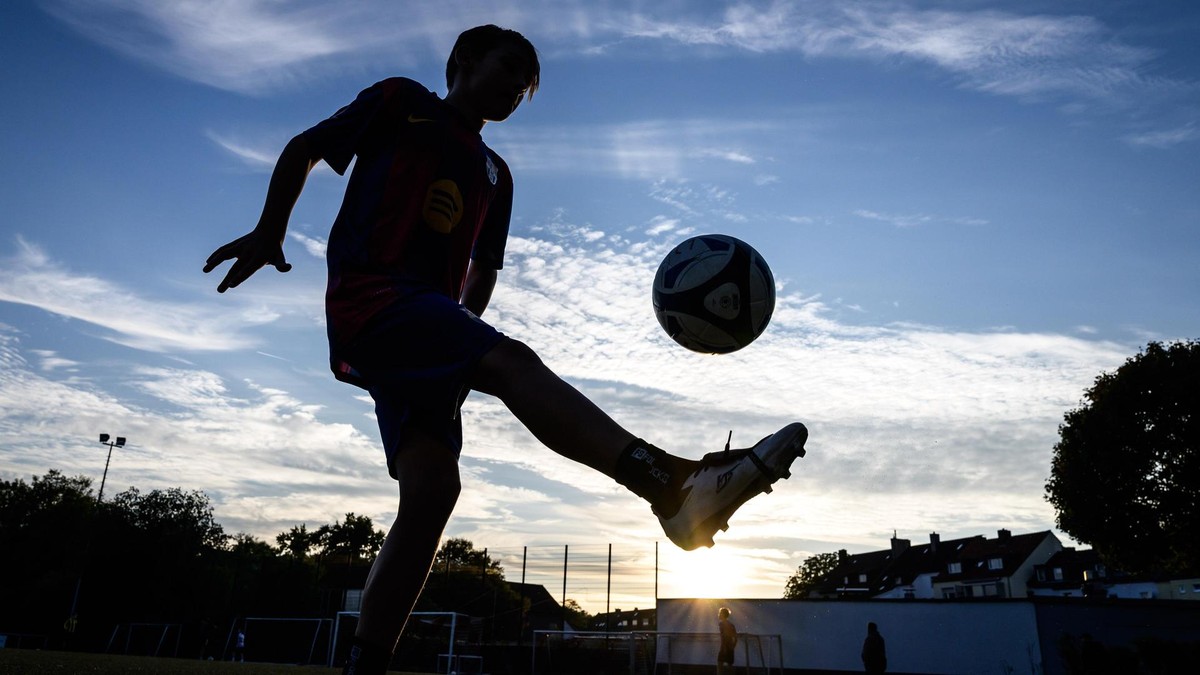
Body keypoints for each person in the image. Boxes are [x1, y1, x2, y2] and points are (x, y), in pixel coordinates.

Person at [204, 24, 807, 675]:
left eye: (528, 82)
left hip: (429, 326)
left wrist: (462, 333)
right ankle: (671, 483)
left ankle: (364, 667)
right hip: (373, 297)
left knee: (434, 489)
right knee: (512, 361)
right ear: (462, 60)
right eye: (510, 65)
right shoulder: (400, 100)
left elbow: (482, 268)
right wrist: (271, 230)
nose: (519, 84)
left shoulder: (498, 174)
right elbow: (305, 147)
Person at [717, 607, 737, 674]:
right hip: (730, 648)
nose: (718, 614)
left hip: (724, 648)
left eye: (720, 613)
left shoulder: (721, 624)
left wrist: (724, 648)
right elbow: (735, 638)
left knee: (720, 666)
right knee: (730, 667)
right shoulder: (731, 625)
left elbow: (724, 636)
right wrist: (732, 647)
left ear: (722, 614)